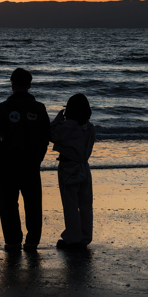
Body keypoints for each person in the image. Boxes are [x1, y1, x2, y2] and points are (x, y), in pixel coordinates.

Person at [0, 67, 51, 252]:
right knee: (33, 202)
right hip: (31, 161)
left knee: (8, 204)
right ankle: (32, 241)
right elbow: (46, 136)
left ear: (12, 84)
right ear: (29, 85)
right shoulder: (39, 108)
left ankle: (13, 241)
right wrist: (39, 156)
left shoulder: (3, 108)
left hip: (6, 162)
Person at [51, 93, 96, 250]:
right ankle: (85, 236)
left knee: (70, 204)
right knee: (85, 204)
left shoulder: (66, 128)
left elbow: (50, 134)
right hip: (84, 166)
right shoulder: (90, 127)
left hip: (68, 167)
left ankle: (73, 238)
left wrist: (58, 119)